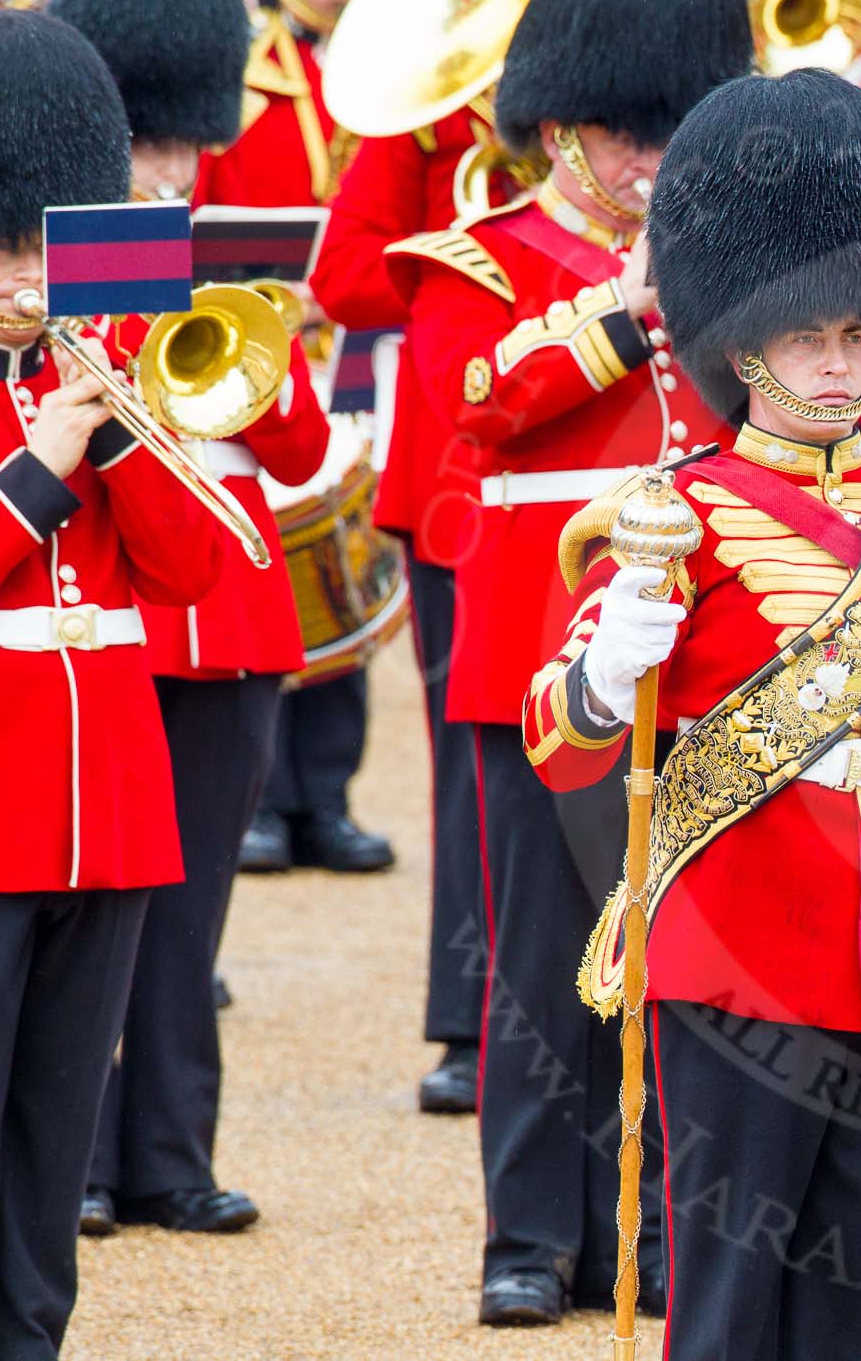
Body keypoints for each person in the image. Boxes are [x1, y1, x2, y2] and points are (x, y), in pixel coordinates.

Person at [526, 67, 861, 1361]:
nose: (838, 361)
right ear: (743, 345)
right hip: (740, 942)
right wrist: (606, 667)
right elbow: (559, 734)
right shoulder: (672, 513)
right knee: (734, 1294)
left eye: (860, 337)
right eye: (810, 335)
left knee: (859, 1305)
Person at [386, 0, 748, 1325]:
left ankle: (650, 1235)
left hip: (700, 645)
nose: (649, 160)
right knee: (540, 958)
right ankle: (529, 1237)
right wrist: (624, 302)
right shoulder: (473, 261)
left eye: (666, 136)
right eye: (623, 136)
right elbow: (470, 399)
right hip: (534, 655)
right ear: (555, 126)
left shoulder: (726, 255)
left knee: (682, 953)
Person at [47, 0, 334, 1238]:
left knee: (193, 904)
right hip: (120, 607)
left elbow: (303, 443)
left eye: (180, 147)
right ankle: (87, 1157)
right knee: (107, 902)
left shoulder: (228, 261)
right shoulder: (59, 267)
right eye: (146, 146)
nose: (168, 168)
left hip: (232, 611)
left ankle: (170, 1152)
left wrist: (245, 342)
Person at [0, 9, 228, 1353]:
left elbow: (197, 570)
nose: (32, 278)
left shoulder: (105, 371)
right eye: (8, 248)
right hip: (2, 798)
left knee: (53, 1122)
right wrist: (44, 464)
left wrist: (113, 432)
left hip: (109, 806)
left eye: (45, 246)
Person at [308, 62, 527, 1121]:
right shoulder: (433, 111)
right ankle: (471, 1017)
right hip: (461, 476)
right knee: (473, 766)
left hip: (627, 457)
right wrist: (473, 265)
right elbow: (345, 276)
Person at [227, 0, 397, 877]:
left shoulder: (403, 63)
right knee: (268, 558)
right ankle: (262, 795)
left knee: (344, 561)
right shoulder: (244, 72)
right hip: (259, 349)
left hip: (359, 347)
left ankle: (326, 794)